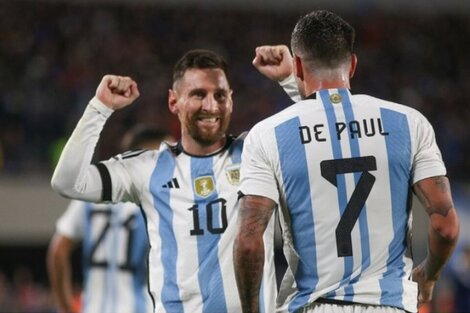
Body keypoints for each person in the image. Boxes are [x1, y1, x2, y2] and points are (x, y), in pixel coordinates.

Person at [234, 10, 460, 313]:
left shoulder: (266, 135)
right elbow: (446, 226)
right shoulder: (409, 123)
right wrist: (429, 274)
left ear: (298, 64)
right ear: (352, 64)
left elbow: (249, 242)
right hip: (390, 304)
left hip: (314, 305)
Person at [50, 49, 289, 313]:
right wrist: (100, 107)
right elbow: (67, 182)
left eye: (220, 95)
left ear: (231, 100)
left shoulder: (256, 152)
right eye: (198, 94)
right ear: (173, 102)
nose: (211, 106)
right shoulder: (147, 168)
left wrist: (290, 80)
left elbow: (324, 138)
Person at [47, 125, 173, 313]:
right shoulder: (158, 203)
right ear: (144, 157)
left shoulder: (90, 199)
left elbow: (58, 251)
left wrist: (66, 308)